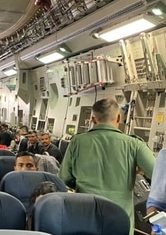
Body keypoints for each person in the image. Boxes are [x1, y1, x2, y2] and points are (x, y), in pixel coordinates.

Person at [59, 98, 155, 234]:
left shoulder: (77, 142)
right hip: (120, 219)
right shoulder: (135, 144)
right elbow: (158, 176)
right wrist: (139, 172)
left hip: (85, 215)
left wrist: (82, 187)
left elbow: (64, 178)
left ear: (93, 120)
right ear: (119, 118)